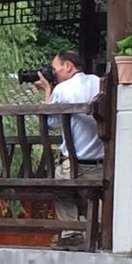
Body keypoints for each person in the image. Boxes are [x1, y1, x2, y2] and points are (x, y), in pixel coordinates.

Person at [35, 50, 103, 248]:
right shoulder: (99, 83)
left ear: (68, 66)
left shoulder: (63, 90)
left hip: (74, 165)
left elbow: (51, 122)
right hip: (100, 162)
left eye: (55, 69)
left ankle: (74, 231)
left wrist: (48, 91)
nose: (53, 73)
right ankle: (95, 232)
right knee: (92, 196)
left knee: (60, 187)